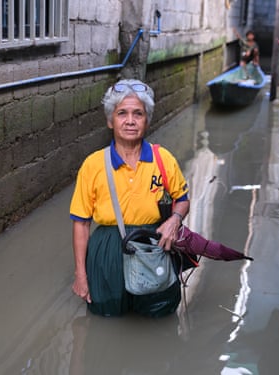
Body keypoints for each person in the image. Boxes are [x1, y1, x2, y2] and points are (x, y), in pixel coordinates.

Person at [69, 79, 190, 318]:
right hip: (107, 252)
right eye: (122, 113)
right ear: (110, 121)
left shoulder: (162, 158)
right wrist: (81, 275)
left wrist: (174, 220)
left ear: (147, 120)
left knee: (159, 311)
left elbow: (182, 199)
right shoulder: (93, 165)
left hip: (153, 246)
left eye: (138, 114)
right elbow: (81, 223)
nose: (130, 121)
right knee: (106, 313)